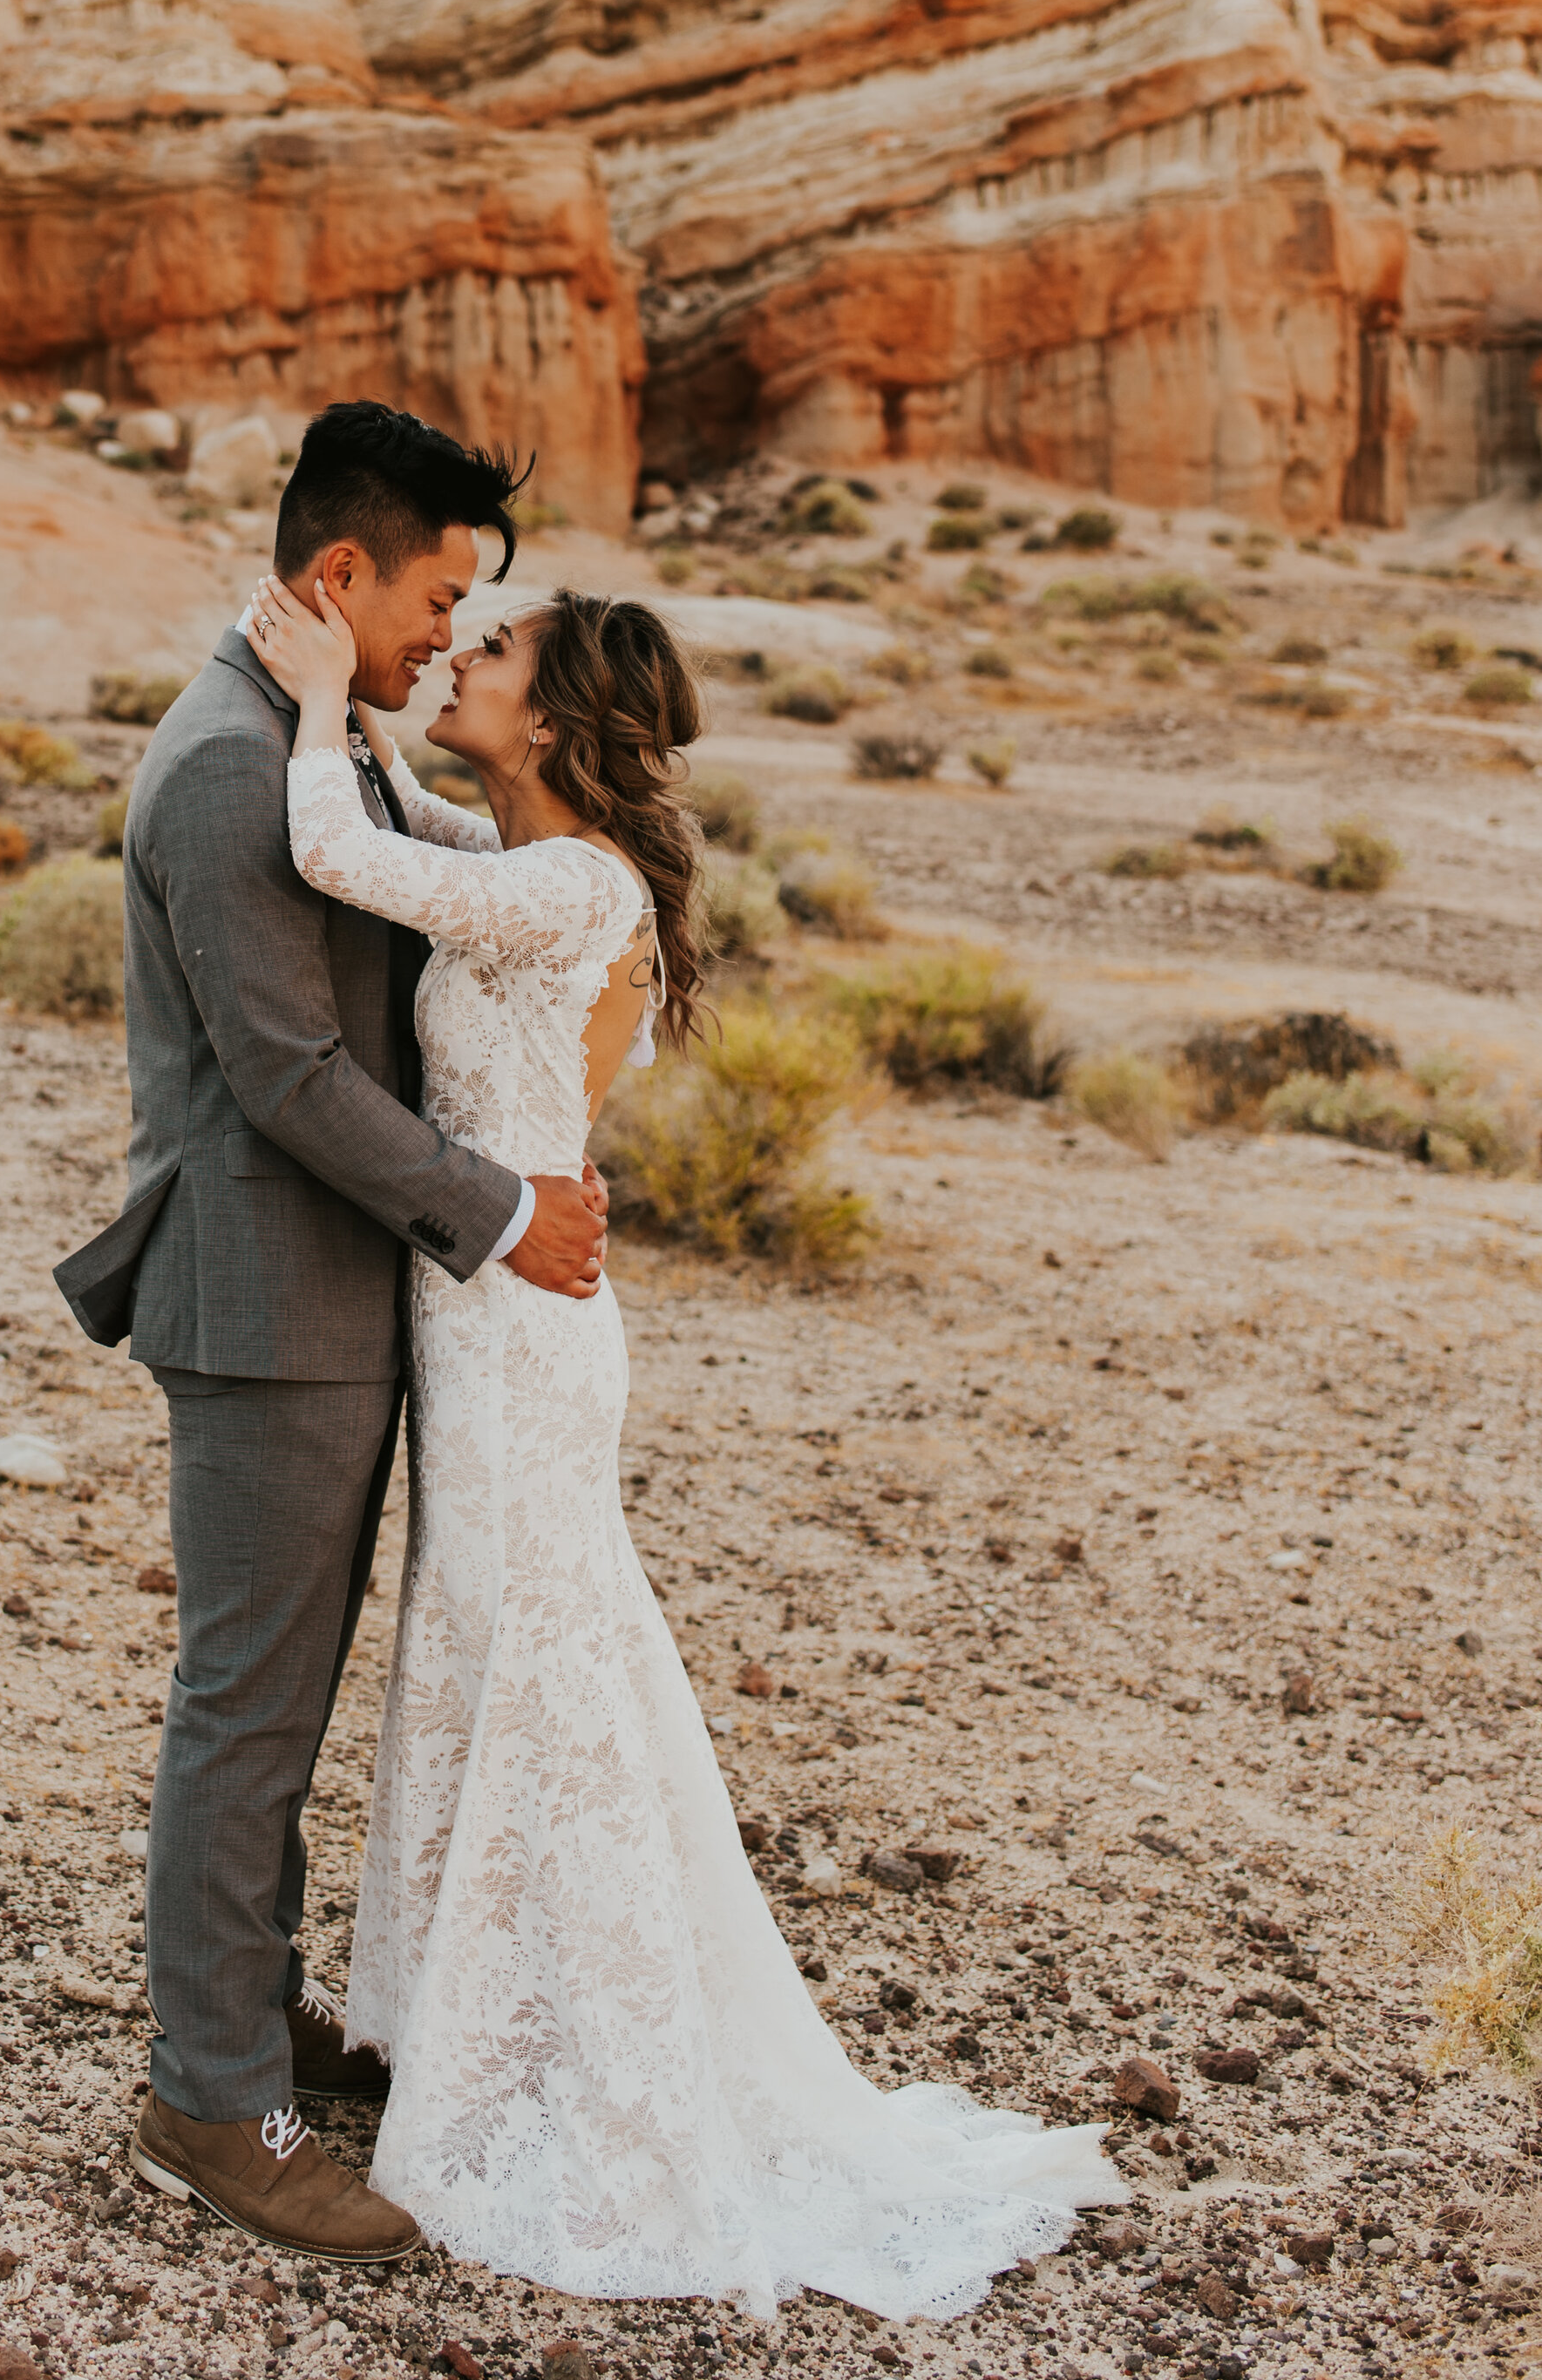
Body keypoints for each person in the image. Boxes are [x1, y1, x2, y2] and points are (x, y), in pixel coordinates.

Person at [238, 560, 1126, 2323]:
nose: (456, 658)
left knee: (536, 1678)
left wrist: (321, 692)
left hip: (519, 1341)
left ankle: (590, 2076)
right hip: (498, 1318)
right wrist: (346, 715)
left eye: (483, 652)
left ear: (551, 718)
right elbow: (400, 816)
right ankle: (498, 2026)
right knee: (503, 1662)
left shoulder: (566, 884)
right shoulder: (535, 865)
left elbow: (344, 853)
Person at [51, 402, 608, 2268]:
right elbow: (284, 1074)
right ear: (338, 571)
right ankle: (214, 2104)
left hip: (328, 1292)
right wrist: (504, 1210)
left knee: (274, 1701)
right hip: (264, 1297)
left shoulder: (320, 738)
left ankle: (241, 2014)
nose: (448, 634)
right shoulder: (225, 762)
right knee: (246, 1705)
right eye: (437, 593)